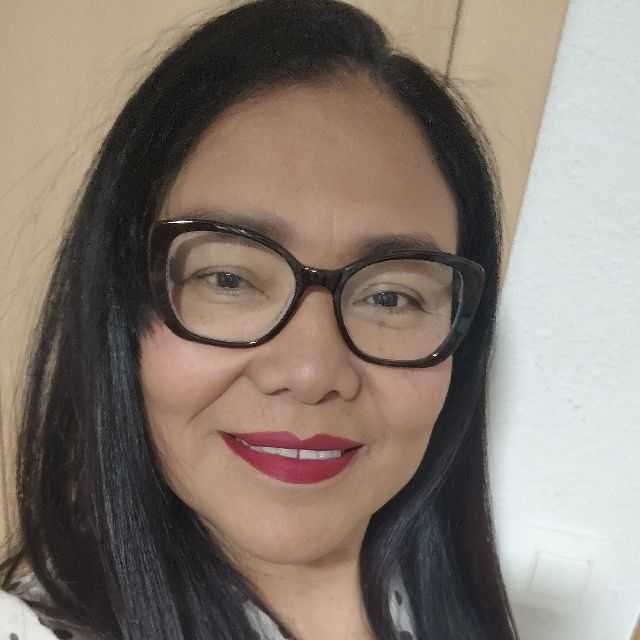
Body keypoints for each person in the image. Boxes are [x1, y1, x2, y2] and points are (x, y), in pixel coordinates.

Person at [0, 0, 519, 638]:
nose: (311, 373)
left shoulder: (450, 610)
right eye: (229, 279)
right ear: (122, 308)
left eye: (389, 297)